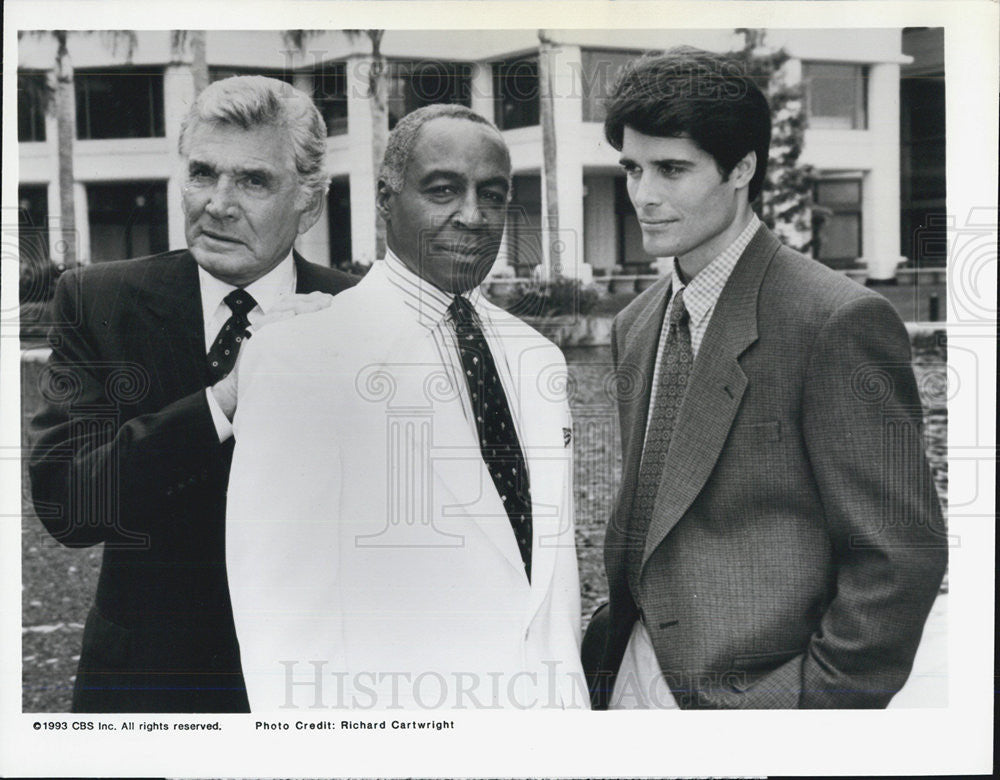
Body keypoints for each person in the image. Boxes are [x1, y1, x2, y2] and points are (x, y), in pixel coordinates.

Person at [581, 49, 947, 709]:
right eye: (632, 169)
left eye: (672, 169)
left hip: (759, 705)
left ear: (742, 169)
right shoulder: (635, 326)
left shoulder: (837, 321)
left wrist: (798, 716)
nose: (644, 195)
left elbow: (899, 560)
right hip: (627, 679)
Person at [225, 104, 586, 710]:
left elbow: (551, 587)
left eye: (492, 196)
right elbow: (279, 620)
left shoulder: (538, 359)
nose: (472, 217)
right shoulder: (301, 356)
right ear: (387, 200)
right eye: (443, 190)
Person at [28, 76, 356, 713]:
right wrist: (225, 399)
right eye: (203, 173)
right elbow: (69, 504)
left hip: (315, 692)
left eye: (253, 181)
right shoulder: (99, 301)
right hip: (149, 690)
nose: (218, 204)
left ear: (310, 204)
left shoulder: (358, 315)